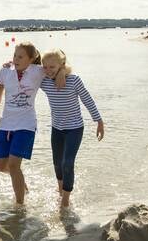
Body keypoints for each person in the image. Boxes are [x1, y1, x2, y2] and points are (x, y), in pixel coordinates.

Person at [40, 49, 104, 209]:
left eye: (52, 67)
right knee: (57, 163)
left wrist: (99, 121)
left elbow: (87, 100)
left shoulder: (74, 80)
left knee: (67, 163)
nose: (48, 71)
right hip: (57, 129)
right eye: (45, 67)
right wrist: (10, 65)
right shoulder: (44, 81)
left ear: (62, 65)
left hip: (74, 129)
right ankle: (60, 189)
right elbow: (27, 72)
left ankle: (65, 199)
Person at [0, 42, 45, 205]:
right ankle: (20, 181)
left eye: (20, 57)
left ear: (31, 59)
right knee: (0, 166)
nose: (16, 59)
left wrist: (62, 74)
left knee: (13, 164)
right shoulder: (5, 71)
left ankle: (20, 206)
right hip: (6, 124)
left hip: (26, 125)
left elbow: (57, 65)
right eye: (15, 55)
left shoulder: (38, 71)